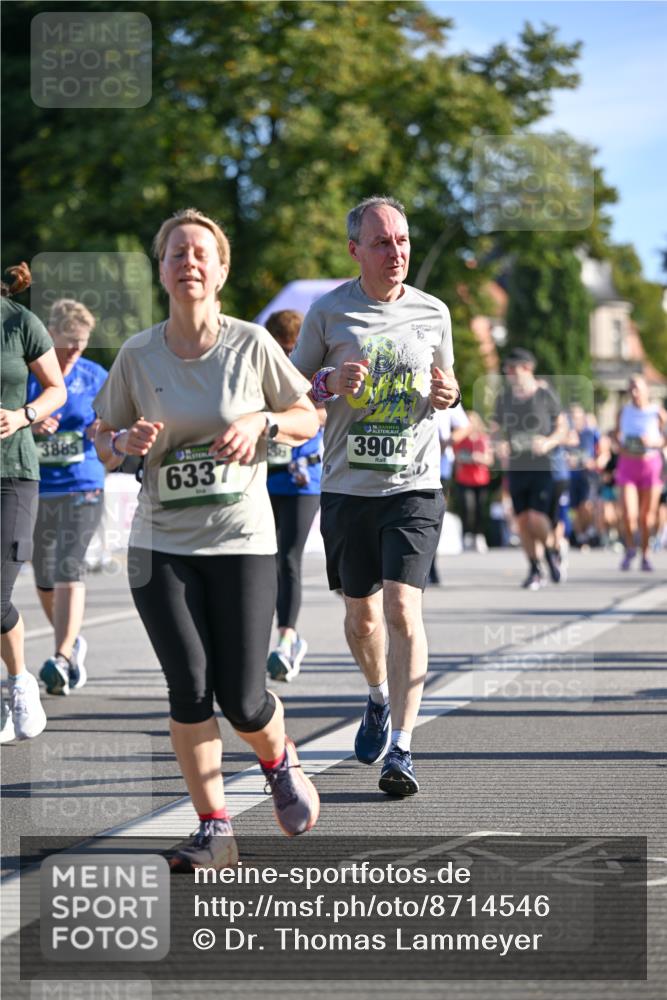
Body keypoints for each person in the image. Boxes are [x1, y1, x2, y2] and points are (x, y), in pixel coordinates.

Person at [94, 208, 321, 869]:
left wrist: (262, 424)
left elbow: (307, 415)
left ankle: (278, 761)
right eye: (176, 253)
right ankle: (215, 830)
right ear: (161, 270)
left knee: (243, 700)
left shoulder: (251, 344)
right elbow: (101, 439)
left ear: (221, 270)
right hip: (159, 543)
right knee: (190, 689)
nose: (188, 262)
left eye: (201, 253)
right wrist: (123, 440)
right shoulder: (138, 354)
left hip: (240, 540)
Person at [291, 195, 459, 797]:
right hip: (347, 488)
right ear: (355, 250)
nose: (396, 252)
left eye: (403, 240)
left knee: (402, 610)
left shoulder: (434, 312)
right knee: (362, 619)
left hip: (414, 485)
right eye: (383, 242)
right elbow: (290, 389)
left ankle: (403, 749)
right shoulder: (328, 312)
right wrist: (328, 381)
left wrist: (449, 395)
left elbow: (447, 384)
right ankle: (377, 696)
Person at [26, 299, 107, 696]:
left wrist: (104, 428)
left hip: (83, 483)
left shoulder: (94, 375)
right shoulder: (27, 375)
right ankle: (72, 643)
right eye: (69, 340)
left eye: (83, 341)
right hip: (38, 485)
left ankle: (60, 657)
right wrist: (31, 426)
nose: (76, 348)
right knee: (44, 575)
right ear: (50, 334)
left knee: (68, 566)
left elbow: (117, 418)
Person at [1, 263, 66, 743]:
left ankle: (20, 682)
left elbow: (55, 389)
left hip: (12, 473)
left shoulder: (19, 321)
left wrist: (23, 415)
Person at [264, 310, 325, 682]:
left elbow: (328, 413)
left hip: (303, 477)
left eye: (292, 349)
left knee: (288, 557)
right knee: (261, 559)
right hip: (265, 475)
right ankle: (260, 636)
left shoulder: (315, 369)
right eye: (281, 349)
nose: (288, 356)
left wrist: (303, 414)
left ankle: (287, 638)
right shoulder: (261, 368)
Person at [491, 348, 566, 590]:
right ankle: (535, 568)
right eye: (506, 369)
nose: (508, 373)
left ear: (527, 368)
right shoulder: (505, 398)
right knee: (522, 520)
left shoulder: (545, 395)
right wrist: (499, 444)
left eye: (512, 368)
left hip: (542, 465)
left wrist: (548, 442)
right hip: (516, 465)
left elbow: (563, 427)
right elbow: (495, 428)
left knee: (536, 517)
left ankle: (553, 550)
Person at [614, 375, 666, 571]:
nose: (634, 393)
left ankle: (645, 554)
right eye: (631, 389)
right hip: (628, 465)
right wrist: (620, 443)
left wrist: (653, 442)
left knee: (646, 517)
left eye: (637, 388)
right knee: (629, 514)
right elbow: (616, 434)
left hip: (651, 466)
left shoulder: (658, 412)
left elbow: (665, 439)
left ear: (647, 390)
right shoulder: (623, 412)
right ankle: (630, 548)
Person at [428, 402, 469, 582]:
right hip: (406, 466)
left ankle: (431, 566)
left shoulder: (443, 391)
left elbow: (464, 426)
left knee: (433, 516)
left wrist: (448, 441)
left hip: (439, 468)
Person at [452, 410, 493, 553]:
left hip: (481, 480)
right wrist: (465, 459)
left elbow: (489, 459)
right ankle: (467, 535)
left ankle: (479, 535)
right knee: (467, 508)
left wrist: (478, 457)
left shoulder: (483, 439)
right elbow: (456, 458)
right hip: (464, 479)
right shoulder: (460, 440)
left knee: (480, 509)